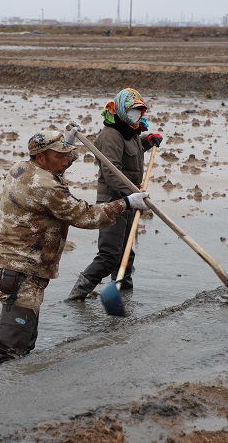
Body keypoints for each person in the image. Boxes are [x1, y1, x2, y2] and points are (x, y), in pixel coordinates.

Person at [0, 127, 150, 370]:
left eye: (66, 154)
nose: (65, 160)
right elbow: (84, 215)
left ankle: (17, 385)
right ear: (41, 156)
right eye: (60, 155)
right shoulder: (44, 185)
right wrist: (126, 203)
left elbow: (57, 168)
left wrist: (68, 145)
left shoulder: (20, 168)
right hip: (21, 269)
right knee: (9, 348)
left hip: (20, 266)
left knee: (25, 340)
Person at [67, 88, 163, 301]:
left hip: (131, 199)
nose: (136, 114)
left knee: (126, 253)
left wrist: (147, 140)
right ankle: (77, 296)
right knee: (110, 254)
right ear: (120, 109)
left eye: (139, 110)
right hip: (113, 200)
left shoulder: (130, 130)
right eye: (132, 110)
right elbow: (112, 172)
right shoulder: (110, 135)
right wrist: (131, 197)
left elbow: (132, 149)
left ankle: (124, 293)